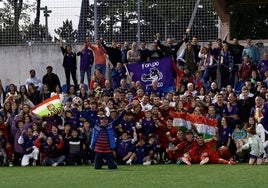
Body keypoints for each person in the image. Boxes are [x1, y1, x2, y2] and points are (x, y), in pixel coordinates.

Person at [81, 104, 131, 169]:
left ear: (107, 120)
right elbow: (88, 118)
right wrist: (81, 110)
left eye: (105, 119)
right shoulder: (96, 126)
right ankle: (102, 162)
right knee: (97, 167)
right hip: (99, 151)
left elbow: (119, 119)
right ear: (100, 120)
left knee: (112, 167)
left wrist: (124, 110)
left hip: (108, 151)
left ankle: (111, 163)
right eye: (102, 119)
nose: (104, 121)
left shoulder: (111, 126)